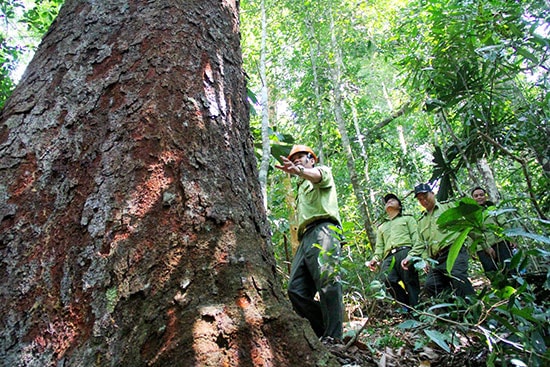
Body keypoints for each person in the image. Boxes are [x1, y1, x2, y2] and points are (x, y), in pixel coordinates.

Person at [275, 144, 343, 340]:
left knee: (328, 283)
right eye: (293, 157)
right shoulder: (300, 186)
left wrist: (300, 171)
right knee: (295, 290)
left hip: (324, 230)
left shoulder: (321, 172)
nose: (296, 159)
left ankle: (334, 337)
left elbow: (318, 177)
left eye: (301, 156)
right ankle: (324, 330)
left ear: (311, 160)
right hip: (305, 237)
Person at [402, 183, 475, 299]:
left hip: (454, 251)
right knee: (431, 286)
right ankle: (451, 313)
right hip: (436, 260)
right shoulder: (421, 221)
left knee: (458, 278)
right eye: (420, 199)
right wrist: (410, 257)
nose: (423, 200)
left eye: (425, 196)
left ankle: (474, 310)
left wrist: (478, 244)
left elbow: (467, 224)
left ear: (433, 193)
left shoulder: (448, 207)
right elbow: (421, 243)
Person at [366, 193, 421, 308]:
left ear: (399, 206)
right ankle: (407, 306)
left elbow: (416, 238)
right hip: (389, 257)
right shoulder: (382, 227)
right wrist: (375, 259)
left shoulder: (408, 219)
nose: (389, 202)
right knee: (387, 280)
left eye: (392, 200)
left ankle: (417, 311)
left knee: (410, 281)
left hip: (405, 251)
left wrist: (412, 255)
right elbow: (380, 247)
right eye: (387, 201)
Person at [470, 187, 515, 276]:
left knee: (509, 268)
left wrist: (510, 237)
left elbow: (503, 223)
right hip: (482, 248)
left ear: (485, 197)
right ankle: (499, 289)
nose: (479, 197)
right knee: (491, 273)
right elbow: (471, 233)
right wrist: (472, 250)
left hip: (499, 242)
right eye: (476, 196)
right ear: (473, 199)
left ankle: (515, 288)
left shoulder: (492, 209)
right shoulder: (471, 214)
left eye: (481, 195)